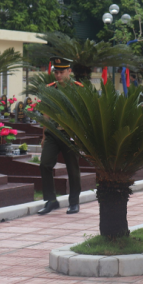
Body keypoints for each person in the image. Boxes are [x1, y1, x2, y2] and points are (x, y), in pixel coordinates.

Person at [38, 57, 84, 216]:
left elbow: (83, 113)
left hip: (70, 134)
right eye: (56, 72)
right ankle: (51, 200)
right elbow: (46, 113)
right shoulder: (50, 88)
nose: (58, 75)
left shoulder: (78, 89)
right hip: (52, 133)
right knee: (45, 164)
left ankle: (74, 202)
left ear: (69, 71)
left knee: (72, 168)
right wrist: (44, 135)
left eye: (61, 72)